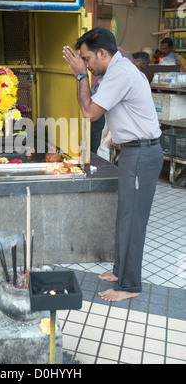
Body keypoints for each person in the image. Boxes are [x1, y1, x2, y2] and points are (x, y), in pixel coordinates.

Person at [63, 27, 164, 302]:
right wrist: (84, 75)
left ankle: (129, 286)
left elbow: (89, 112)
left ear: (102, 53)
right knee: (125, 215)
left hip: (141, 154)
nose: (85, 64)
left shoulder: (120, 73)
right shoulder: (115, 70)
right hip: (135, 153)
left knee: (133, 220)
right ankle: (120, 271)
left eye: (86, 59)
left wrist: (81, 76)